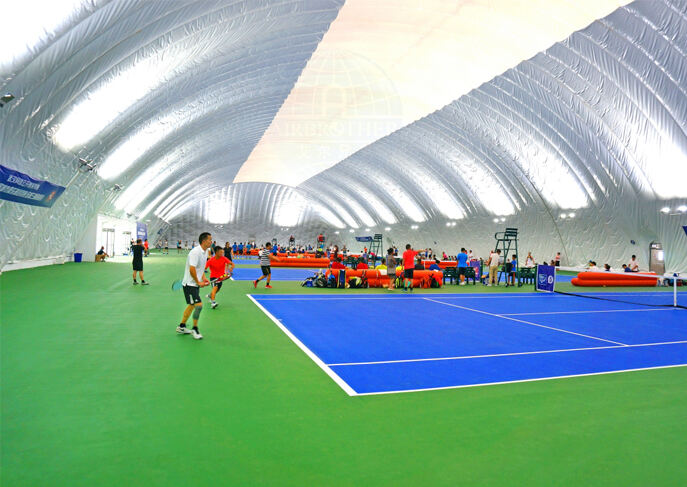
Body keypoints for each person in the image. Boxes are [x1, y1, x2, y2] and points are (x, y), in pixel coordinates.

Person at [176, 232, 212, 339]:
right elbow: (192, 269)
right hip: (189, 284)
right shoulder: (195, 252)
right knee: (199, 306)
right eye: (210, 239)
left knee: (192, 305)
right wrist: (198, 282)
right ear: (204, 241)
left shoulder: (205, 252)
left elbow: (200, 268)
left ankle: (181, 326)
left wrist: (204, 279)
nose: (211, 241)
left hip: (194, 284)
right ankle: (195, 329)